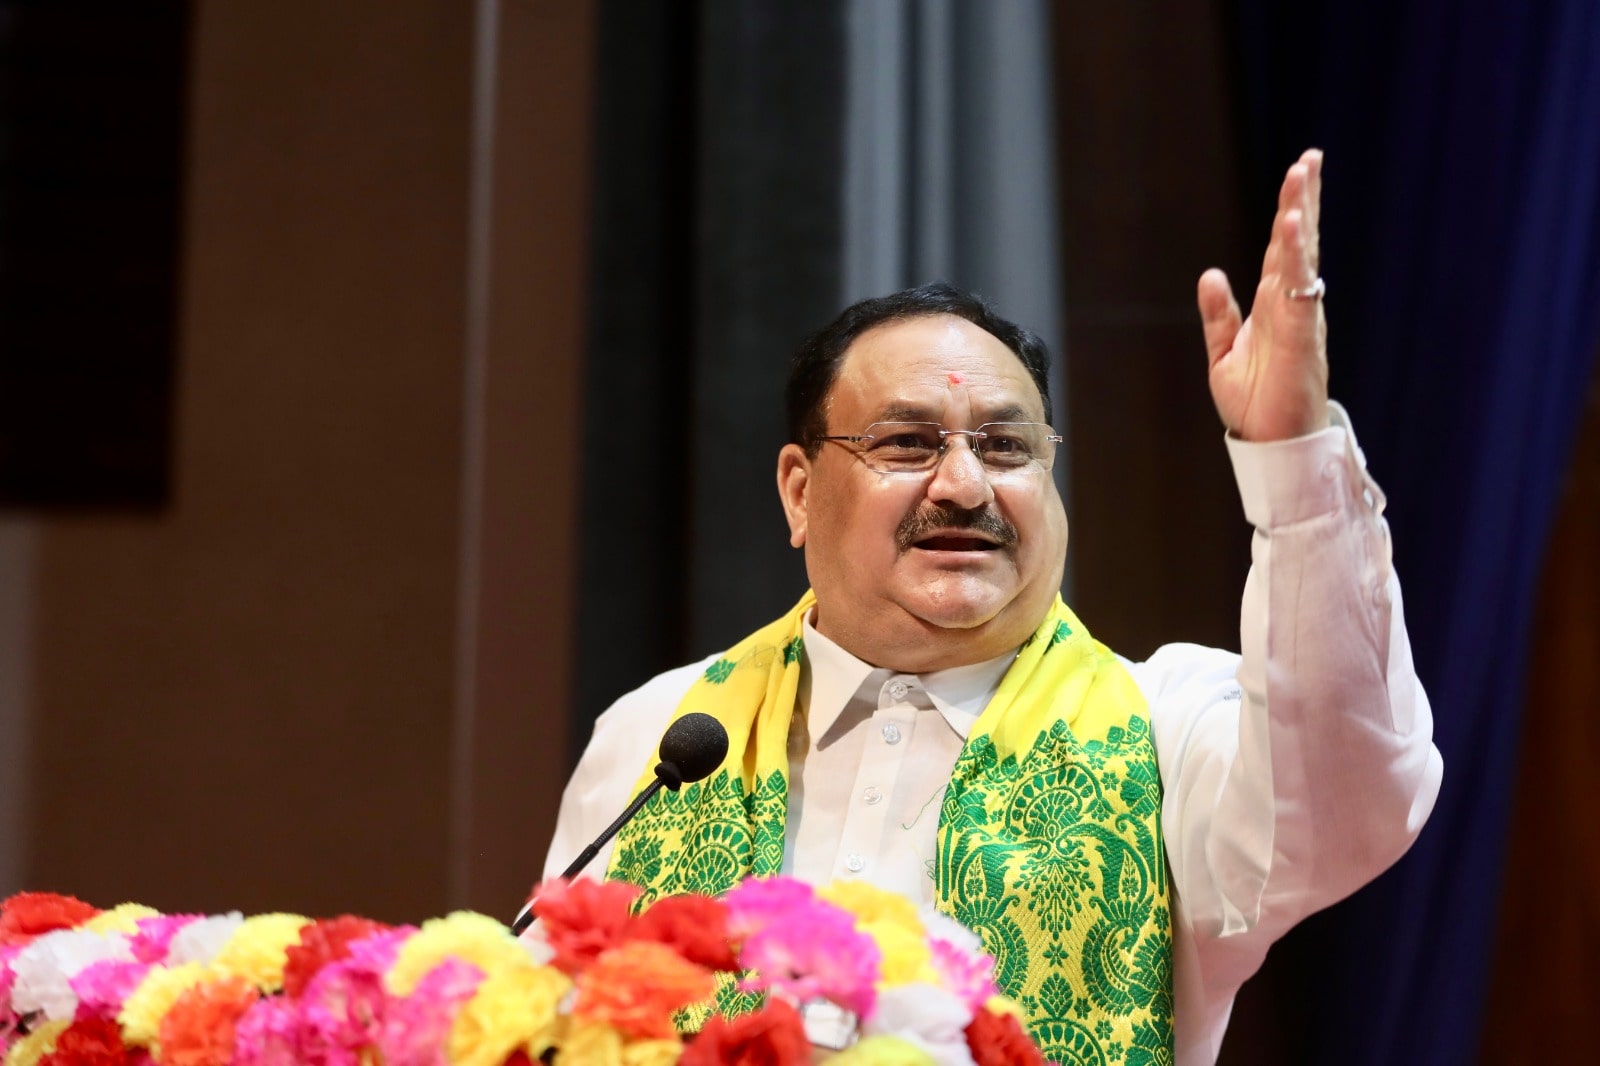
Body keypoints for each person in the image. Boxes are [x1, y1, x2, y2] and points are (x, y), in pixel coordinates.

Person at [545, 150, 1443, 1066]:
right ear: (800, 491)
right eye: (907, 441)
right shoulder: (665, 736)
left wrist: (1291, 460)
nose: (966, 483)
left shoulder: (1169, 725)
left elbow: (1351, 797)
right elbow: (548, 1020)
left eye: (1008, 446)